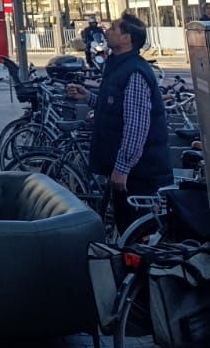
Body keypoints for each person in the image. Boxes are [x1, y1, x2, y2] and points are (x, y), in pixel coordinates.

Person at [67, 12, 170, 235]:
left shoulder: (134, 72)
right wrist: (89, 97)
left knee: (137, 235)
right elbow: (116, 108)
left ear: (126, 39)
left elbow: (136, 125)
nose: (107, 30)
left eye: (113, 28)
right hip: (129, 171)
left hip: (140, 175)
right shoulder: (117, 66)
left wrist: (122, 167)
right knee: (126, 230)